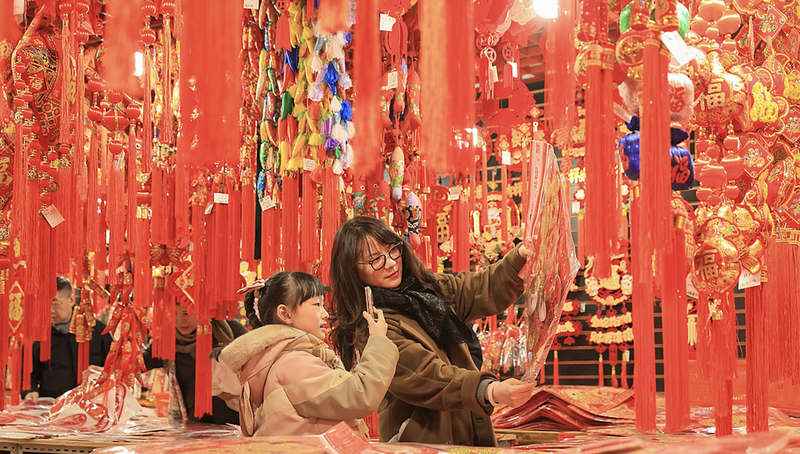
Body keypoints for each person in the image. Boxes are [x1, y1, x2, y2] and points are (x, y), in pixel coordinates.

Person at [329, 215, 536, 446]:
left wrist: (518, 257)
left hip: (462, 428)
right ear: (352, 271)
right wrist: (490, 390)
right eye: (375, 259)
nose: (390, 263)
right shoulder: (373, 325)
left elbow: (479, 288)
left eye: (392, 250)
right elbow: (425, 376)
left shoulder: (426, 291)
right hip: (421, 441)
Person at [219, 271, 398, 438]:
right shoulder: (293, 364)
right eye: (317, 305)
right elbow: (360, 395)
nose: (325, 313)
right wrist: (378, 340)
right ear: (285, 313)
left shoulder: (282, 358)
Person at [142, 303, 247, 425]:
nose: (180, 320)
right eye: (174, 313)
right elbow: (139, 364)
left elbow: (259, 367)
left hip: (236, 422)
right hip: (193, 424)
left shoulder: (228, 330)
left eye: (187, 313)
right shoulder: (167, 340)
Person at [23, 277, 113, 402]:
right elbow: (28, 372)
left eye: (55, 303)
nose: (50, 310)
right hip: (52, 405)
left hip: (92, 404)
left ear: (71, 300)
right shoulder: (39, 334)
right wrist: (30, 391)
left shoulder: (96, 329)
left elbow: (113, 365)